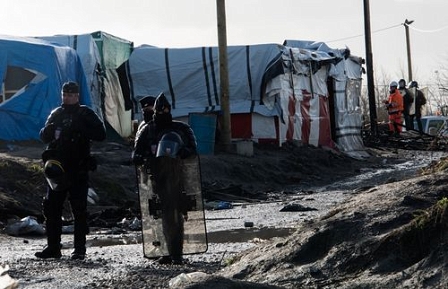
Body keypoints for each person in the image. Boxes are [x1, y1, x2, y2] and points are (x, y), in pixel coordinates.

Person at [35, 81, 106, 260]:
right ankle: (53, 247)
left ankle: (79, 249)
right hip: (57, 169)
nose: (66, 98)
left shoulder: (85, 113)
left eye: (70, 95)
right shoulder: (56, 113)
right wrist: (48, 131)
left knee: (79, 209)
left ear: (77, 96)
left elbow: (101, 134)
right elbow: (43, 136)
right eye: (64, 95)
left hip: (78, 168)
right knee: (52, 208)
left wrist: (81, 128)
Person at [132, 92, 197, 265]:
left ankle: (176, 252)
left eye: (165, 109)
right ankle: (164, 250)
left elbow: (193, 148)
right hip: (155, 177)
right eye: (159, 110)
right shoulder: (147, 130)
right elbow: (137, 151)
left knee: (175, 214)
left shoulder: (181, 128)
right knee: (158, 214)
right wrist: (139, 157)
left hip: (176, 177)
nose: (162, 112)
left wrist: (185, 151)